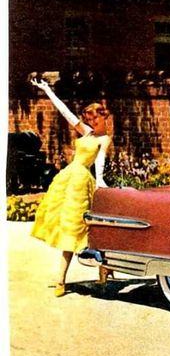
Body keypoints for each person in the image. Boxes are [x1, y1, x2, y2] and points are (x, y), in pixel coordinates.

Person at [29, 77, 112, 296]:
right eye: (93, 118)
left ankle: (101, 274)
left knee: (82, 228)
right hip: (68, 178)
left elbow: (101, 162)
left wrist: (101, 183)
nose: (95, 122)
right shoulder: (87, 132)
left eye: (98, 118)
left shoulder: (104, 139)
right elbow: (66, 113)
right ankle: (61, 281)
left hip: (83, 181)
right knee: (65, 224)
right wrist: (47, 90)